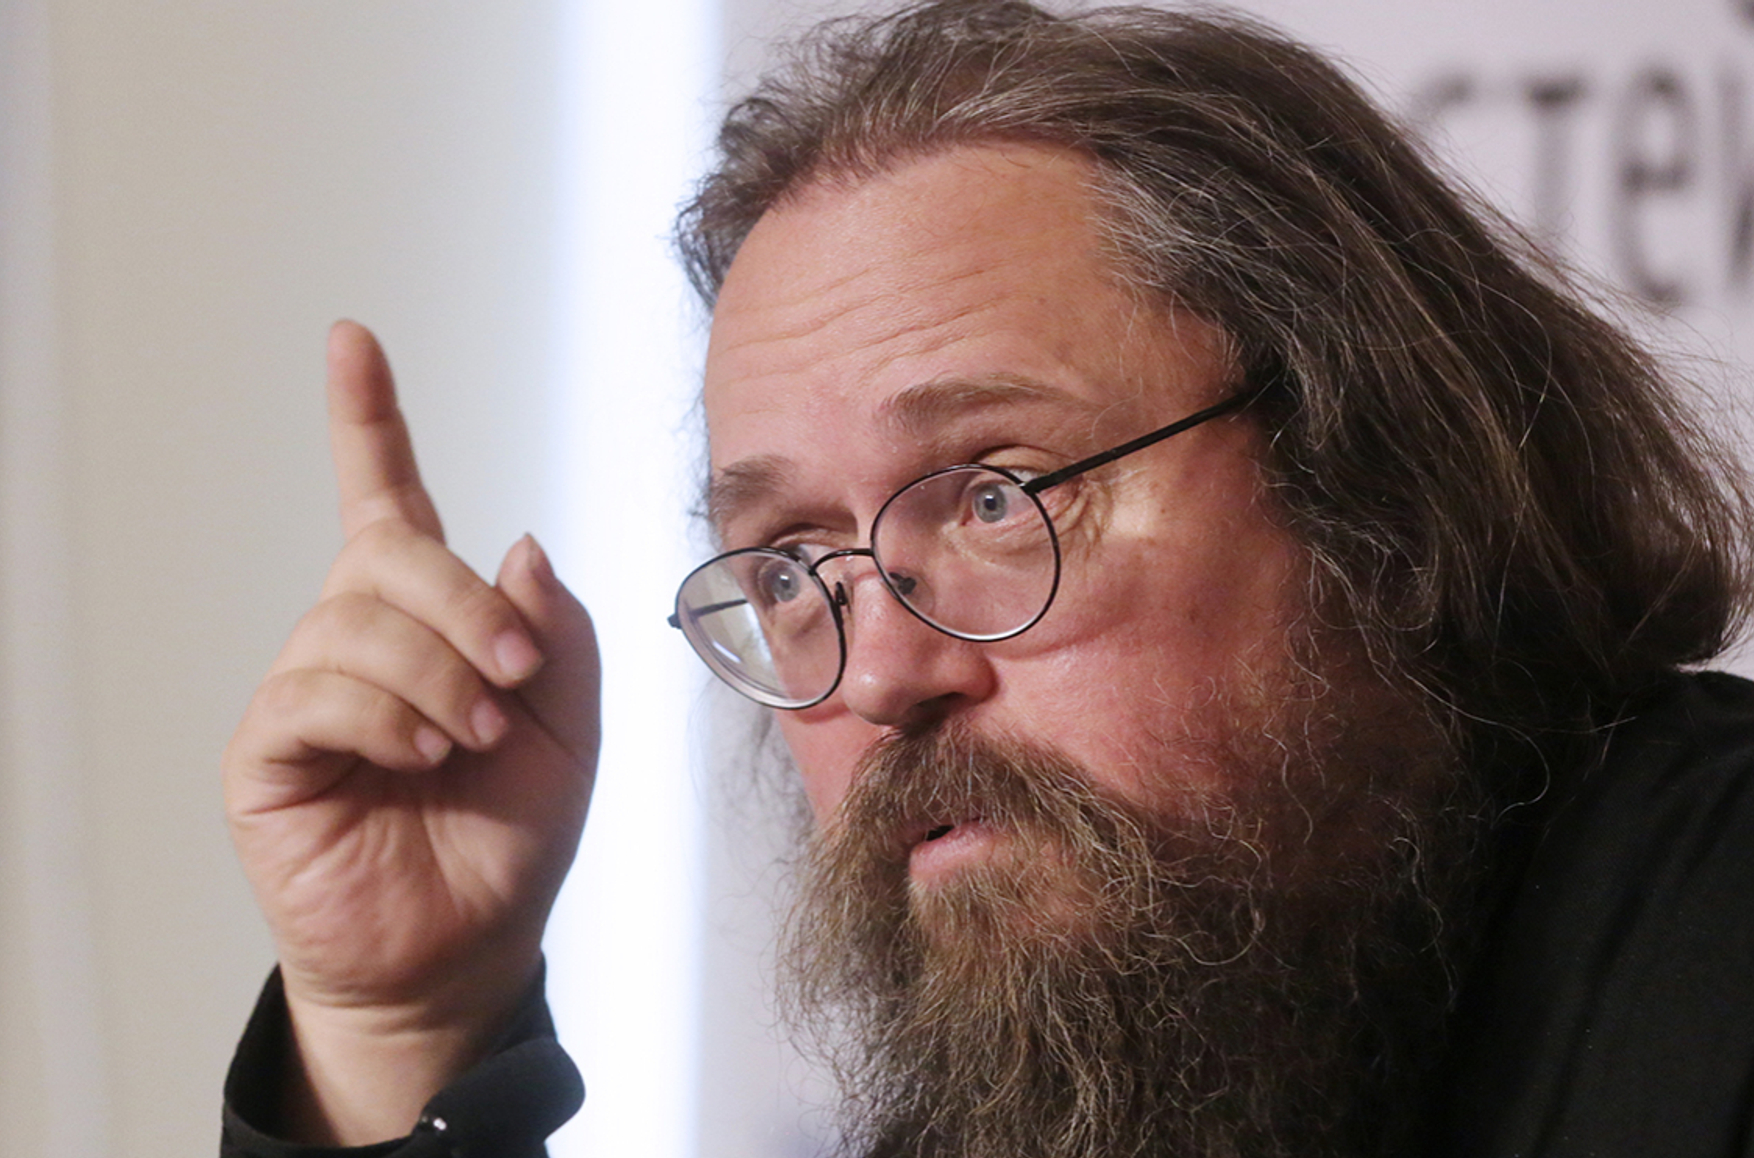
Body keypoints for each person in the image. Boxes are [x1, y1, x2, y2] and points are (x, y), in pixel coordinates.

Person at [220, 2, 1754, 1155]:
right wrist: (404, 1027)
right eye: (793, 564)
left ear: (1378, 487)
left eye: (996, 497)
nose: (883, 672)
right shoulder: (1066, 1086)